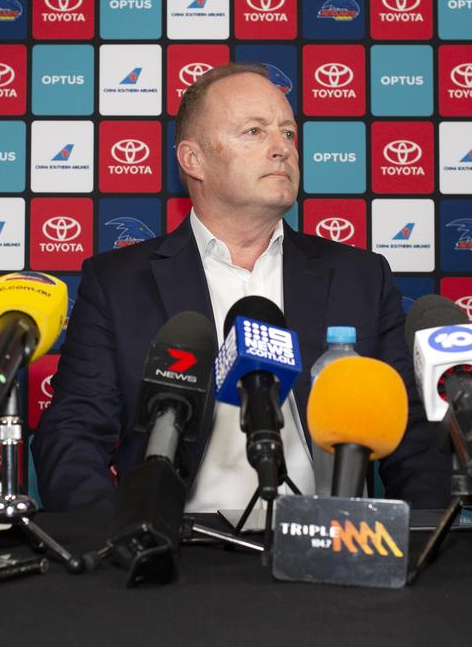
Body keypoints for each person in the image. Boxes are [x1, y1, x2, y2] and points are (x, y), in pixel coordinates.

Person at [33, 63, 449, 512]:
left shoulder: (360, 277)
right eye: (254, 131)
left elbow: (415, 441)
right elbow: (72, 435)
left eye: (288, 133)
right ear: (194, 160)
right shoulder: (119, 283)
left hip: (332, 550)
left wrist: (418, 553)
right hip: (183, 556)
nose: (281, 149)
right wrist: (116, 545)